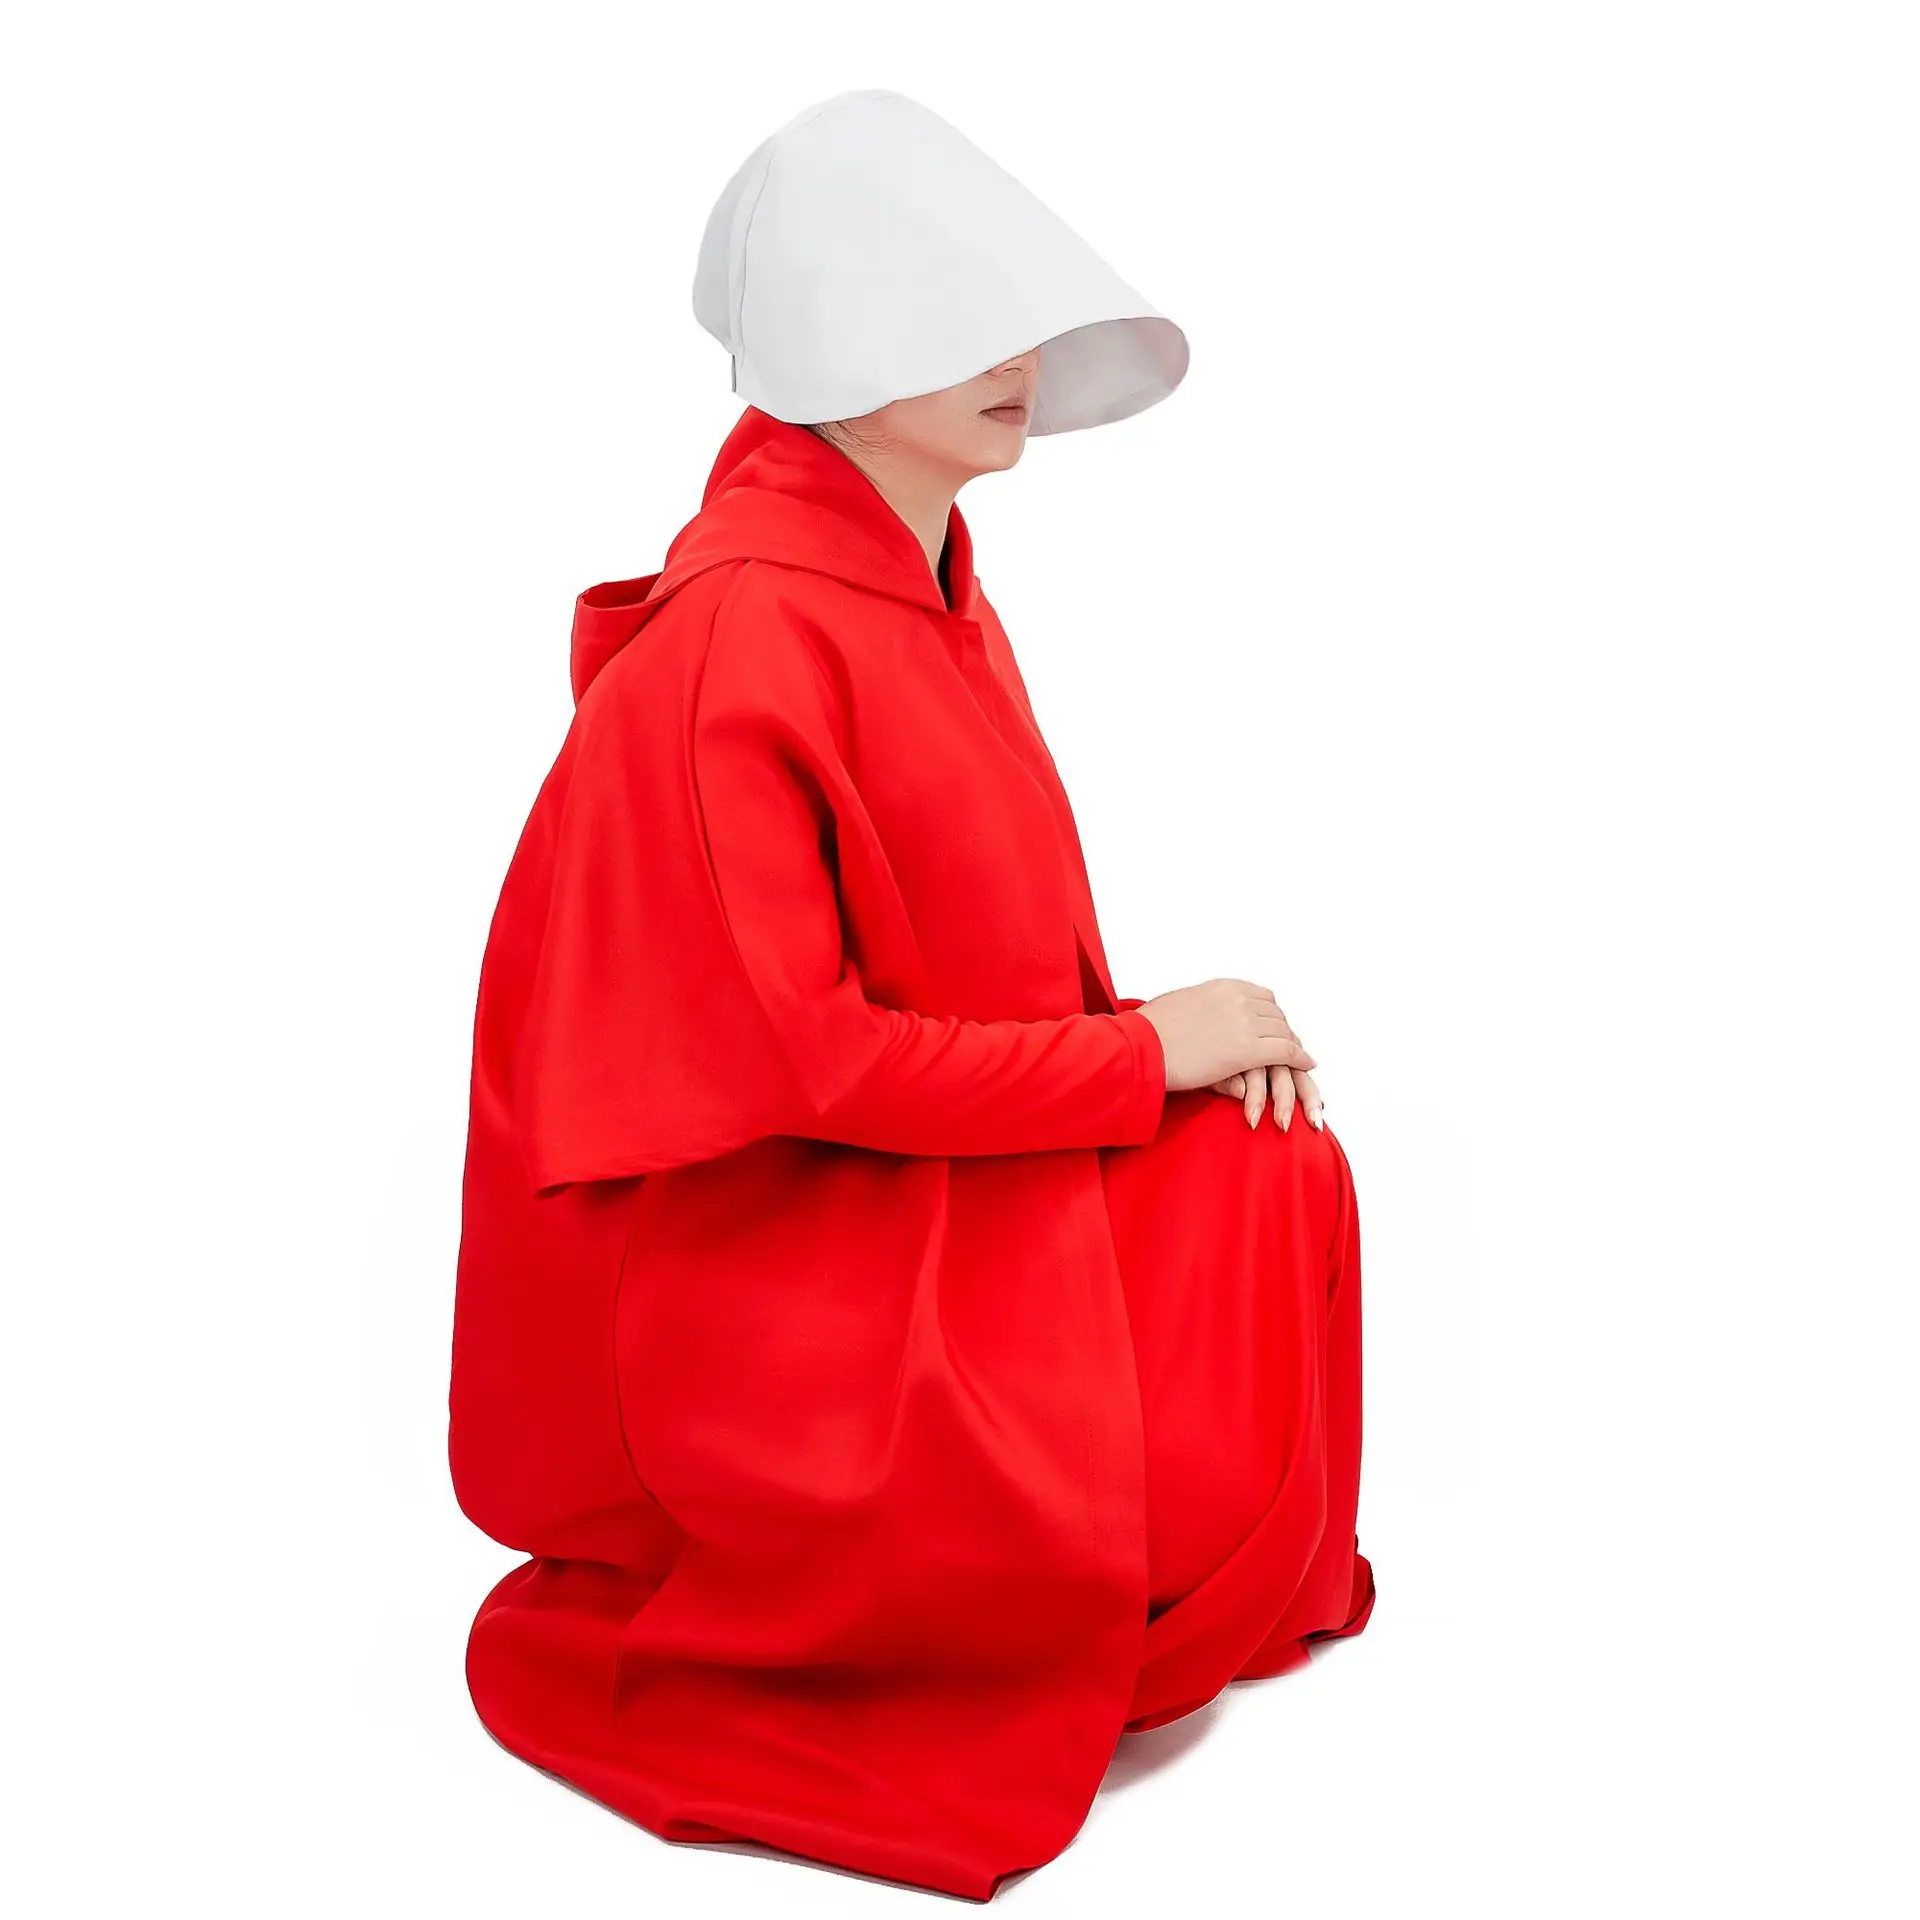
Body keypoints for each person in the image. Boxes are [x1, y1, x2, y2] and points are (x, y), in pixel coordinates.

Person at [447, 88, 1374, 1901]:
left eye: (1015, 315)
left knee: (1277, 1175)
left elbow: (979, 969)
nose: (1016, 359)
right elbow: (804, 1063)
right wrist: (1144, 1053)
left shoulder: (925, 583)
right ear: (828, 342)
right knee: (1207, 1260)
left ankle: (1138, 1571)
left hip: (920, 1167)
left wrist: (1164, 1056)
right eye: (953, 321)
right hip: (772, 1254)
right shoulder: (740, 641)